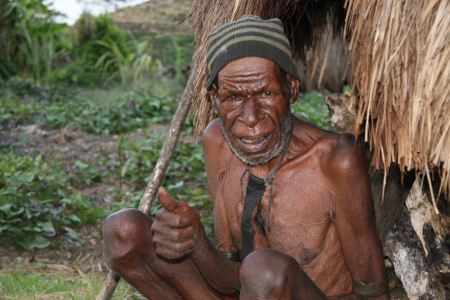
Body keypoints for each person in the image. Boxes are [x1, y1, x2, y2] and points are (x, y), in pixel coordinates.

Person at [103, 15, 389, 300]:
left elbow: (374, 296)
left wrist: (269, 278)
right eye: (234, 98)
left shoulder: (336, 162)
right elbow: (231, 281)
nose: (250, 118)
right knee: (124, 231)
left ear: (291, 89)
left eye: (266, 93)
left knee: (265, 271)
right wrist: (197, 244)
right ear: (214, 98)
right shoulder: (218, 141)